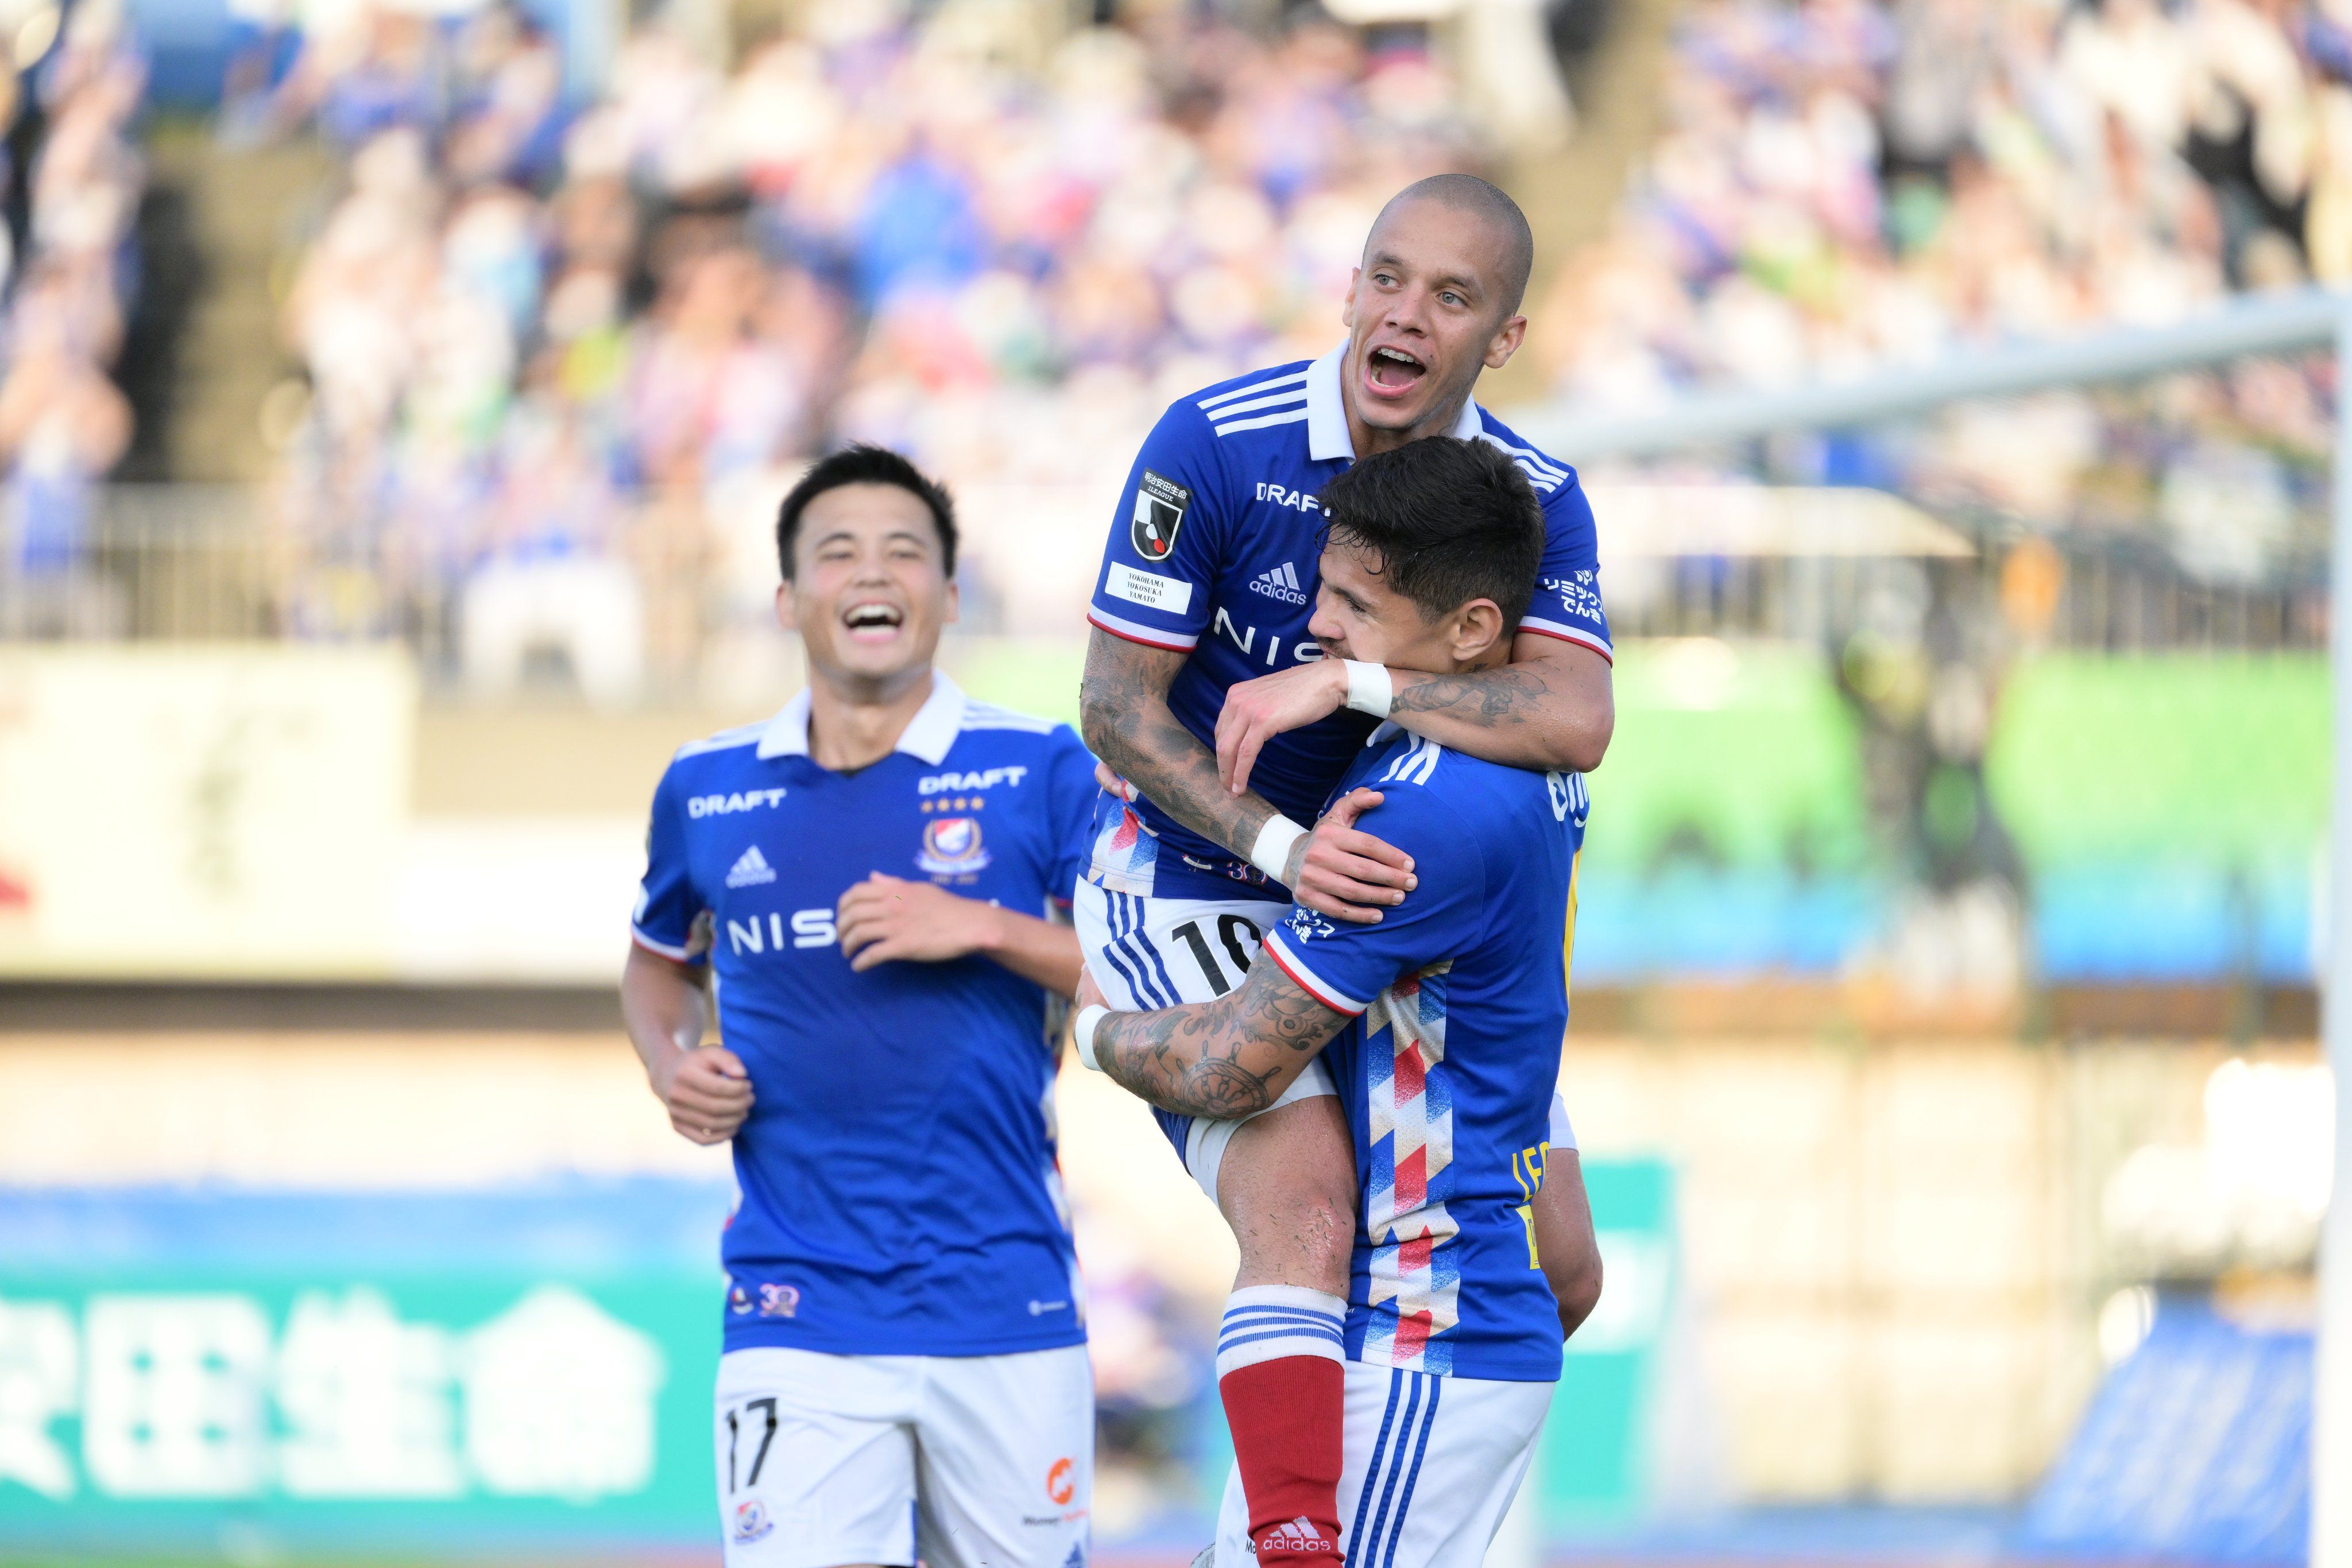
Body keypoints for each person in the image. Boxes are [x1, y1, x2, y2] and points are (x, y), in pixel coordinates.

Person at [1074, 173, 1607, 1565]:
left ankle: (1396, 1495)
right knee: (1308, 1204)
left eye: (1449, 295)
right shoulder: (1214, 441)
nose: (1403, 313)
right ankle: (1295, 1532)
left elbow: (1575, 717)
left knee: (1563, 1268)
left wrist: (1349, 686)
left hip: (1394, 902)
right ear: (1350, 285)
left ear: (1502, 337)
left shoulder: (1532, 500)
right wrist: (1278, 845)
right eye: (1385, 276)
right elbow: (1116, 709)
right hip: (1202, 878)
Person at [621, 445, 1098, 1568]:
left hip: (1005, 1296)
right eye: (837, 552)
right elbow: (656, 965)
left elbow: (1141, 967)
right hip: (798, 1308)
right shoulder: (707, 784)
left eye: (903, 551)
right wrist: (668, 1063)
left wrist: (981, 923)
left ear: (946, 591)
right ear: (789, 599)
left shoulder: (1037, 765)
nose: (870, 573)